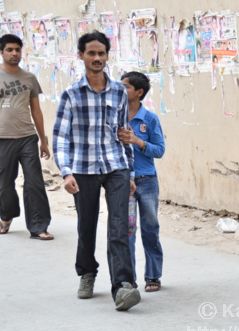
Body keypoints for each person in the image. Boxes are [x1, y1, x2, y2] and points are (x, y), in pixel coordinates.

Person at [52, 31, 140, 311]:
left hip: (116, 166)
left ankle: (123, 286)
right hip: (83, 168)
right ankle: (87, 272)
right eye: (91, 53)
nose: (97, 58)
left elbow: (123, 133)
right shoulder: (71, 95)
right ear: (81, 56)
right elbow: (61, 138)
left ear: (107, 56)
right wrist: (66, 172)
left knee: (118, 227)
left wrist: (131, 173)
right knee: (86, 225)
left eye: (101, 53)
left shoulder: (118, 92)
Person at [0, 34, 54, 240]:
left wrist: (43, 140)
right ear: (2, 52)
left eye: (17, 50)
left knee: (34, 183)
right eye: (10, 50)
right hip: (2, 138)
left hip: (27, 137)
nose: (14, 53)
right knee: (4, 184)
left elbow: (36, 110)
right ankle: (5, 216)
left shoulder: (29, 78)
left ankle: (39, 226)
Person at [117, 71, 165, 293]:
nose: (121, 89)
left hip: (147, 182)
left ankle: (153, 275)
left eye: (126, 86)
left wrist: (137, 141)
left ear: (139, 92)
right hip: (123, 181)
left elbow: (159, 150)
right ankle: (129, 278)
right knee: (127, 230)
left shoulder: (149, 119)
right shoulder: (115, 116)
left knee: (150, 228)